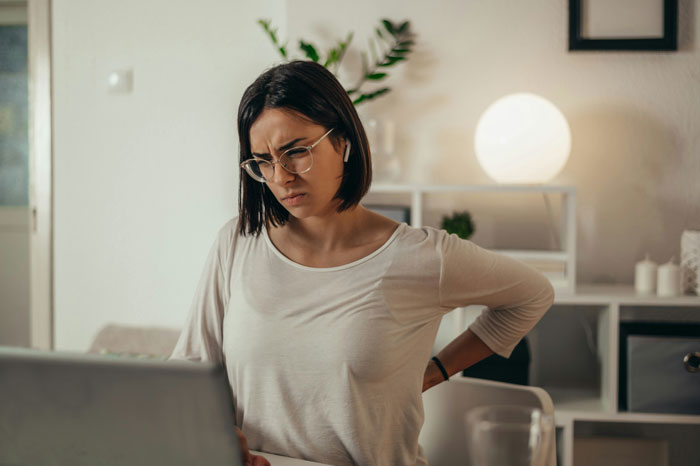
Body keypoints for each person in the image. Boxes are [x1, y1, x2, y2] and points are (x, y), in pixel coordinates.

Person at [169, 60, 554, 466]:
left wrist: (436, 370)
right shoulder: (237, 242)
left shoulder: (421, 257)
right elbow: (190, 371)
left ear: (344, 141)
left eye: (296, 152)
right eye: (262, 161)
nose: (281, 177)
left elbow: (532, 295)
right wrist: (217, 436)